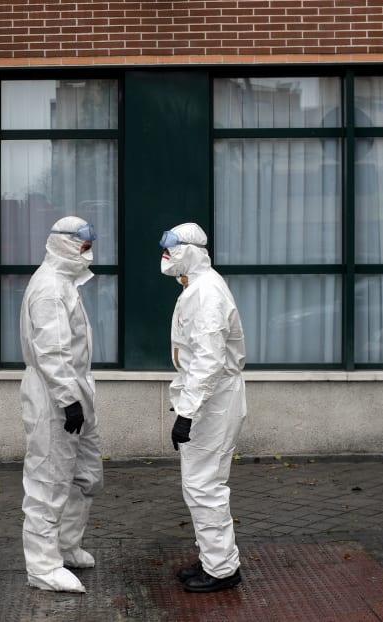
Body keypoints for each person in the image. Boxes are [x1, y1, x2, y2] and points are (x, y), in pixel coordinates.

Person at [159, 222, 247, 593]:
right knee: (200, 485)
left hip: (212, 402)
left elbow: (208, 360)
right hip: (209, 399)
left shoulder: (206, 293)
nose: (165, 255)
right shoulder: (198, 287)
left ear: (190, 251)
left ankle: (222, 570)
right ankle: (214, 558)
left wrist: (188, 412)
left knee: (204, 485)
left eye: (172, 248)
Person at [19, 215, 104, 593]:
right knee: (48, 480)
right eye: (83, 247)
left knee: (85, 475)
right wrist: (68, 400)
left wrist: (78, 397)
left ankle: (67, 546)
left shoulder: (66, 285)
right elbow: (51, 350)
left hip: (74, 390)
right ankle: (42, 566)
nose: (88, 254)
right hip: (55, 396)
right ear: (66, 245)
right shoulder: (51, 288)